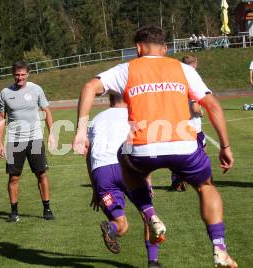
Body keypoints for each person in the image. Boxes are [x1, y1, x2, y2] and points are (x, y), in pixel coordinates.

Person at [73, 26, 237, 268]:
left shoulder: (128, 68)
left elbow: (88, 87)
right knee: (206, 187)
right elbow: (211, 105)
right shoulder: (181, 68)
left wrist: (80, 132)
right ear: (166, 48)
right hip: (183, 145)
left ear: (138, 48)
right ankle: (219, 248)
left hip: (143, 148)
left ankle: (150, 214)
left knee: (123, 160)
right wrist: (225, 145)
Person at [85, 93, 162, 268]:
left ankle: (110, 229)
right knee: (149, 218)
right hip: (126, 168)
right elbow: (144, 150)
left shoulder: (96, 119)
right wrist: (147, 178)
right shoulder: (134, 116)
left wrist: (94, 189)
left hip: (101, 173)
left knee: (121, 225)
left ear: (109, 100)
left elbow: (88, 154)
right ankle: (153, 262)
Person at [0, 61, 56, 222]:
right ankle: (14, 212)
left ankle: (47, 208)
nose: (20, 77)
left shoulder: (36, 89)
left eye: (23, 74)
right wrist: (0, 143)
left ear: (27, 74)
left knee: (41, 174)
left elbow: (47, 111)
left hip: (35, 138)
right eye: (17, 74)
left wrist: (52, 134)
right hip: (15, 141)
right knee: (14, 178)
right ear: (13, 75)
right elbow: (1, 119)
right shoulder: (5, 93)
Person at [170, 55, 208, 192]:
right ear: (195, 64)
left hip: (179, 125)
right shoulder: (192, 81)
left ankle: (177, 180)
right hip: (193, 127)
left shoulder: (176, 81)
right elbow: (195, 108)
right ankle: (196, 179)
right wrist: (201, 112)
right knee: (201, 152)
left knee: (180, 154)